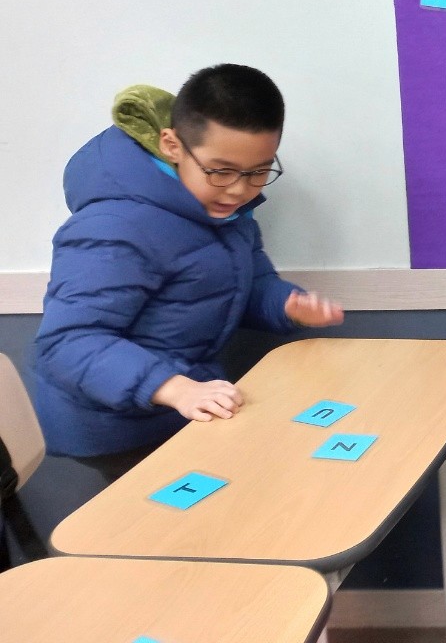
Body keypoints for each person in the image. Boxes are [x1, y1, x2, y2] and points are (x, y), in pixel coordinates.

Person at [29, 65, 344, 480]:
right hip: (113, 422)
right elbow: (68, 343)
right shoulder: (114, 227)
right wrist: (175, 387)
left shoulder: (224, 211)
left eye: (258, 172)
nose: (239, 189)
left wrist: (285, 304)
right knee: (171, 530)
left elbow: (246, 285)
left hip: (181, 401)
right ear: (172, 145)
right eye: (221, 170)